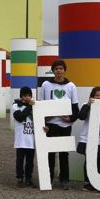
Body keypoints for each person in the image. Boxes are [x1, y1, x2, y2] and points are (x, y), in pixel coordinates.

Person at [38, 61, 79, 189]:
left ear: (64, 70)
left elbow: (75, 107)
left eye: (61, 68)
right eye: (56, 68)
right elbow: (40, 104)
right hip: (50, 124)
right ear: (53, 70)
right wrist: (44, 119)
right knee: (50, 153)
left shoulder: (71, 86)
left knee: (63, 154)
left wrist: (70, 119)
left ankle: (64, 179)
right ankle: (48, 178)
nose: (59, 71)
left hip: (65, 125)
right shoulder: (45, 84)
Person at [76, 87, 100, 191]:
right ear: (92, 96)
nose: (99, 97)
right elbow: (81, 117)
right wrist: (88, 105)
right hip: (88, 137)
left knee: (98, 160)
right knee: (88, 160)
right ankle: (87, 181)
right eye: (97, 95)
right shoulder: (86, 104)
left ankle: (96, 182)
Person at [11, 87, 36, 187]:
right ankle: (19, 178)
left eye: (29, 95)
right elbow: (20, 117)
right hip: (21, 139)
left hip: (32, 139)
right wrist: (30, 106)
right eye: (25, 95)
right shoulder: (16, 105)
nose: (27, 97)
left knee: (30, 161)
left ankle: (28, 179)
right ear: (21, 96)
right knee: (20, 161)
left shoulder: (35, 106)